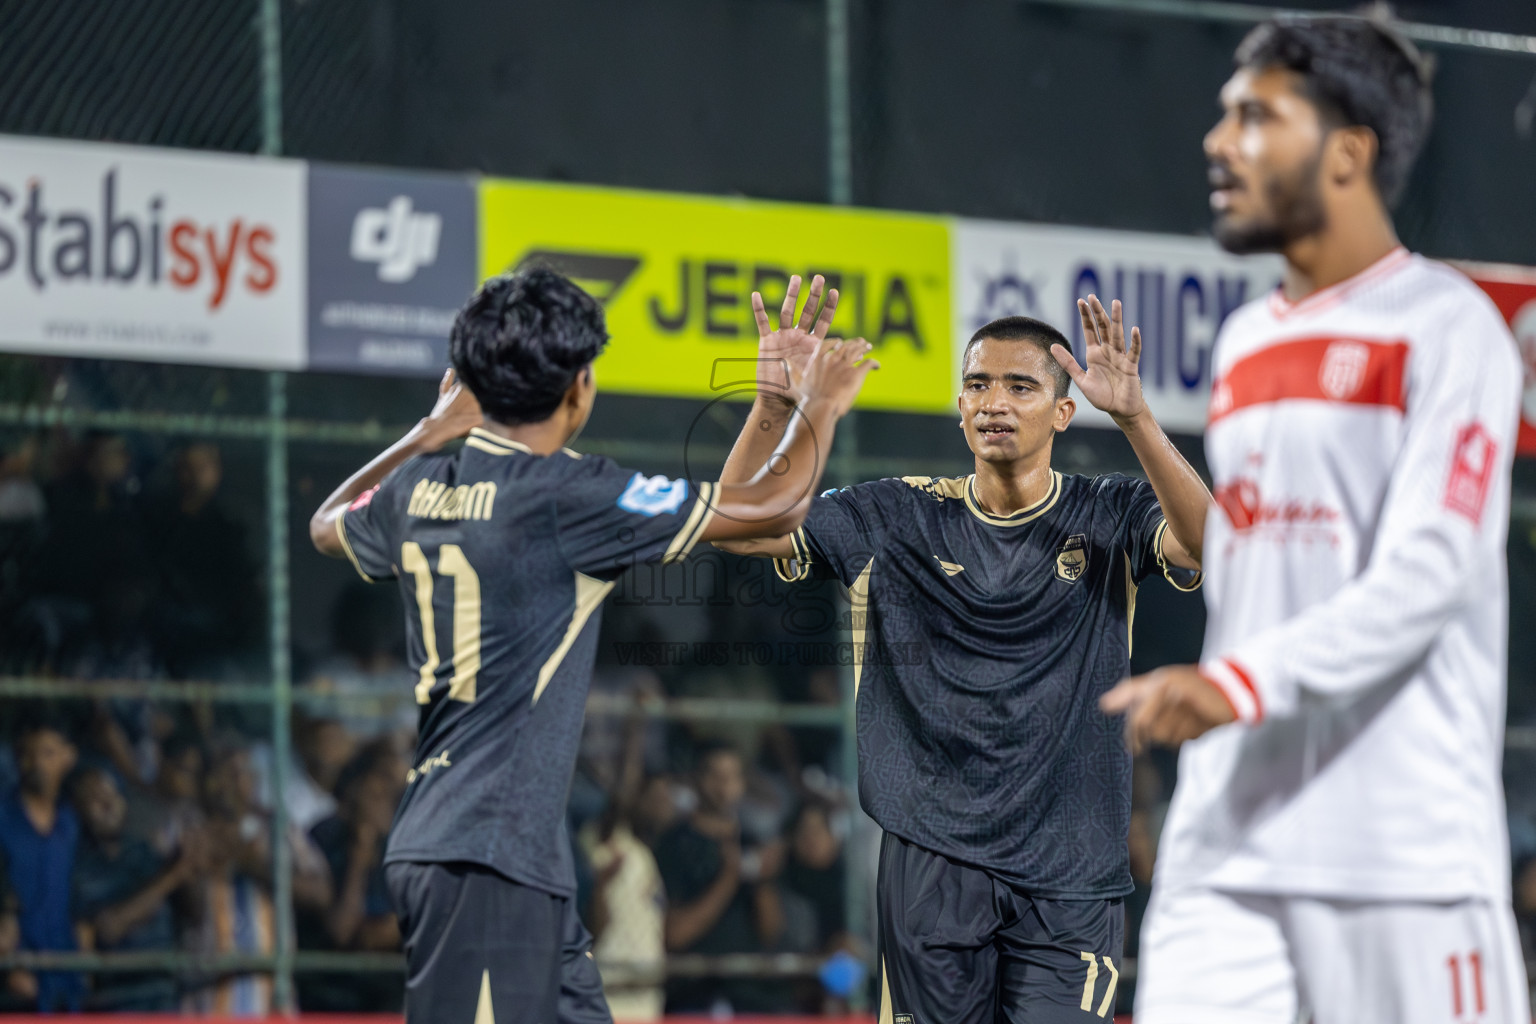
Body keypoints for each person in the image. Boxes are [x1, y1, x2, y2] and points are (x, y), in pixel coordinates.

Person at [1100, 13, 1533, 1024]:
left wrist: (1236, 684)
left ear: (1349, 151)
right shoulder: (1247, 343)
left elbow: (1433, 568)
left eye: (1256, 117)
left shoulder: (1449, 325)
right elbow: (1252, 569)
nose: (1218, 142)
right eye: (1222, 117)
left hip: (1400, 850)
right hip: (1227, 838)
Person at [307, 267, 876, 1024]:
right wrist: (818, 404)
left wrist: (431, 429)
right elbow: (773, 511)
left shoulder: (420, 489)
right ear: (579, 388)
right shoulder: (567, 496)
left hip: (507, 855)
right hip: (483, 858)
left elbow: (327, 521)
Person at [716, 282, 1210, 1019]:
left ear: (1064, 411)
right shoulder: (896, 513)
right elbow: (739, 526)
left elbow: (1213, 542)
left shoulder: (1108, 512)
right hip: (932, 866)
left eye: (1019, 386)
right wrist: (775, 408)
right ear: (959, 406)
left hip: (1071, 875)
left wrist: (1136, 418)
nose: (994, 402)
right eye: (977, 385)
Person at [653, 743, 789, 1014]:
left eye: (732, 776)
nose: (724, 785)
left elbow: (771, 933)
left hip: (749, 998)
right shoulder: (673, 843)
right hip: (691, 997)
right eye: (716, 775)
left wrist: (763, 880)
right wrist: (728, 879)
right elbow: (674, 935)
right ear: (696, 780)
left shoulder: (753, 842)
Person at [71, 767, 202, 1011]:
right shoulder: (83, 868)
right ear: (78, 809)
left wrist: (187, 864)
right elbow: (109, 928)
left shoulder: (147, 852)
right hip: (120, 1003)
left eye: (112, 795)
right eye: (95, 799)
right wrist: (174, 875)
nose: (108, 804)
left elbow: (195, 915)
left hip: (166, 998)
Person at [0, 721, 84, 1011]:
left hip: (65, 974)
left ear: (68, 757)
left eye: (47, 753)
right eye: (28, 754)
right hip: (15, 980)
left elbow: (74, 898)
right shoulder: (3, 819)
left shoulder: (69, 823)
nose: (36, 763)